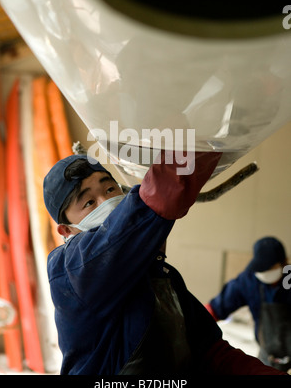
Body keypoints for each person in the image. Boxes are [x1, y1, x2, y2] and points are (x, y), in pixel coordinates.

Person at [43, 151, 286, 375]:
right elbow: (133, 224)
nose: (105, 203)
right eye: (88, 203)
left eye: (109, 189)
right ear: (66, 230)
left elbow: (210, 352)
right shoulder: (71, 269)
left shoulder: (164, 278)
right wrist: (197, 143)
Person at [206, 236, 291, 372]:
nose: (265, 273)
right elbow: (214, 309)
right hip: (268, 357)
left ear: (284, 263)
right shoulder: (249, 280)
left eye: (271, 268)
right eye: (262, 269)